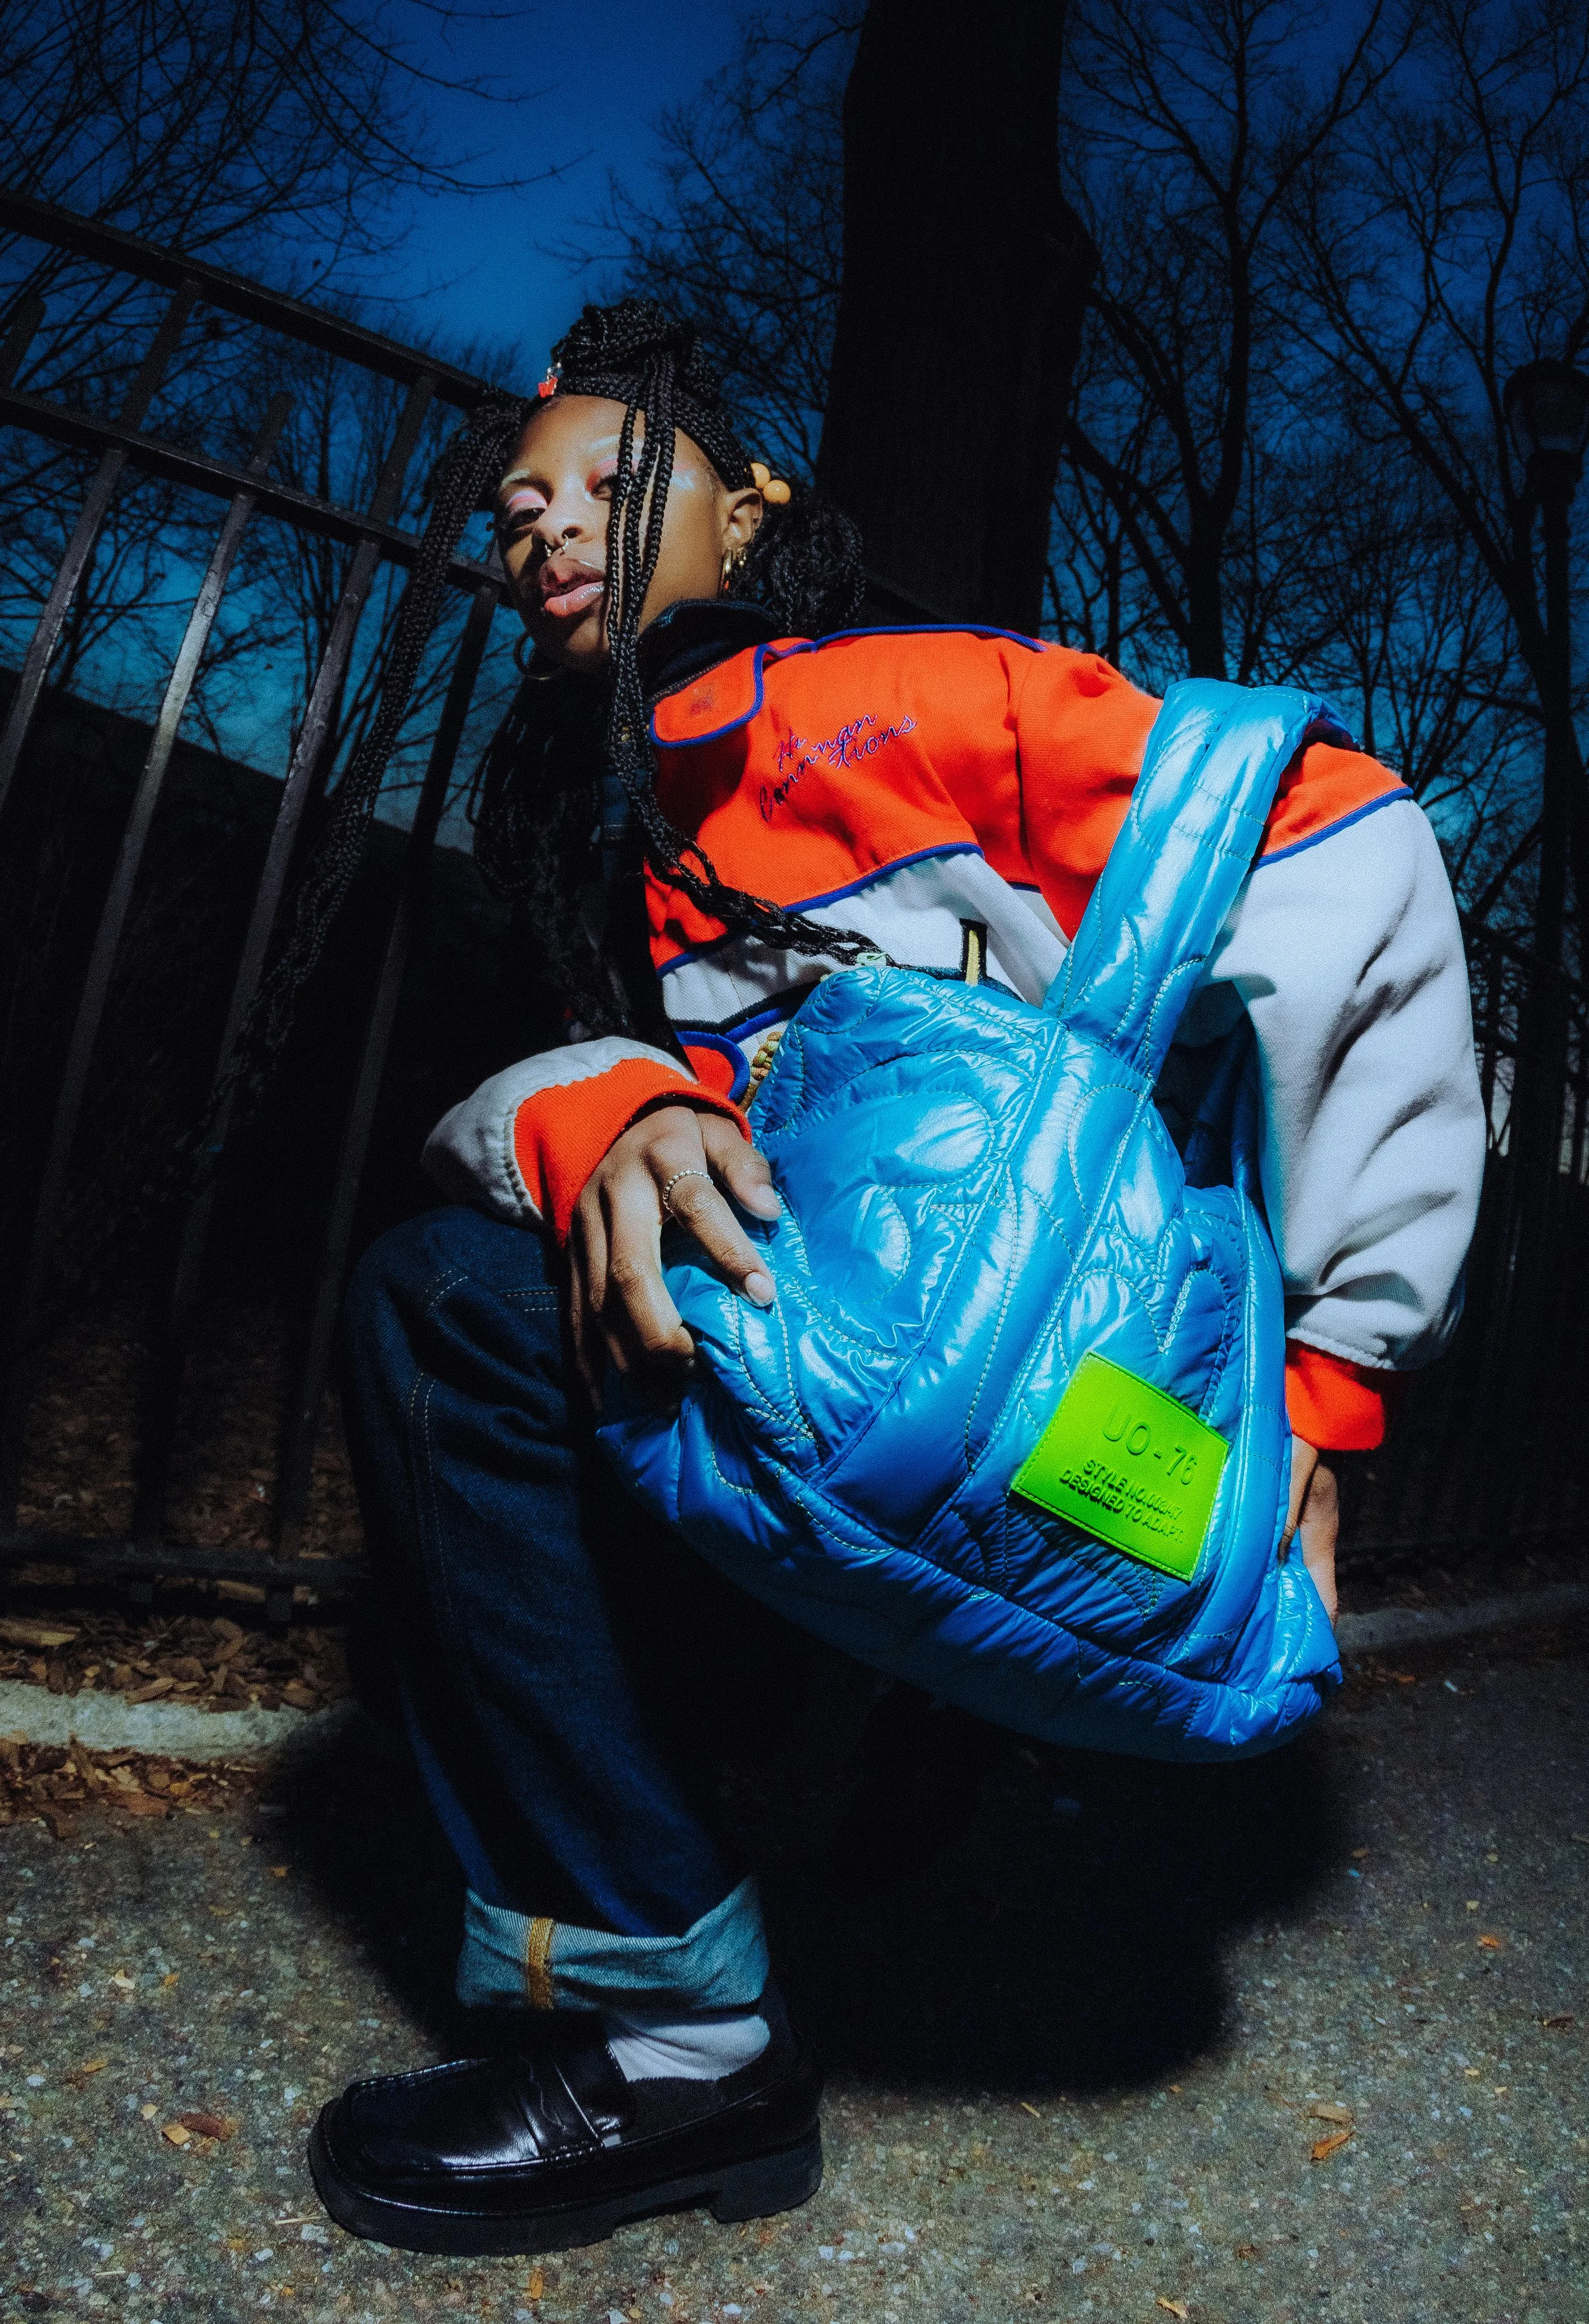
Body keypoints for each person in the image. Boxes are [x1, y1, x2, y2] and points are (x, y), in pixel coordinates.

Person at [306, 301, 1485, 2257]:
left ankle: (813, 1890)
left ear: (750, 513)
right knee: (460, 1305)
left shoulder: (900, 696)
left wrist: (1327, 1371)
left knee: (500, 1322)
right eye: (517, 513)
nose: (549, 532)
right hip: (843, 1401)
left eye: (617, 482)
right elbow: (494, 1118)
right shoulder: (590, 823)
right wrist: (598, 1106)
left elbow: (1347, 846)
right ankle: (697, 1986)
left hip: (1070, 1417)